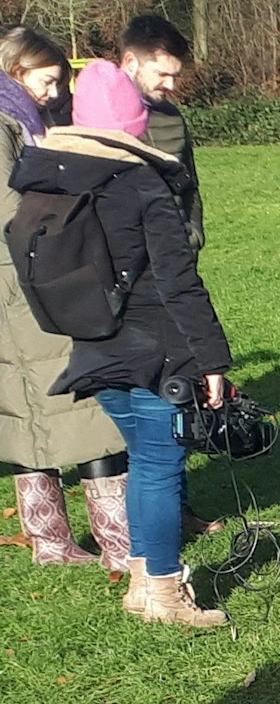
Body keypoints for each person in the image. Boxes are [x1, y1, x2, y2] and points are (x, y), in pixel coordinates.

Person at [11, 60, 230, 626]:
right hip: (157, 347)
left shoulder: (47, 178)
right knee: (161, 465)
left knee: (143, 461)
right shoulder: (140, 183)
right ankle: (163, 591)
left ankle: (140, 578)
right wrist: (212, 360)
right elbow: (179, 280)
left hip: (90, 345)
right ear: (133, 123)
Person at [1, 26, 131, 568]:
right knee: (69, 400)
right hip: (25, 275)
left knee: (33, 400)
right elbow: (12, 206)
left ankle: (51, 540)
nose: (54, 93)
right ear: (16, 70)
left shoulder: (28, 119)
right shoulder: (7, 123)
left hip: (35, 270)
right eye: (46, 81)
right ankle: (112, 542)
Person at [119, 16, 201, 248]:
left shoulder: (171, 117)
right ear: (130, 62)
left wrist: (192, 237)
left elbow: (189, 185)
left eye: (174, 76)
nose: (170, 85)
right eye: (161, 74)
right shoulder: (88, 115)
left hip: (174, 258)